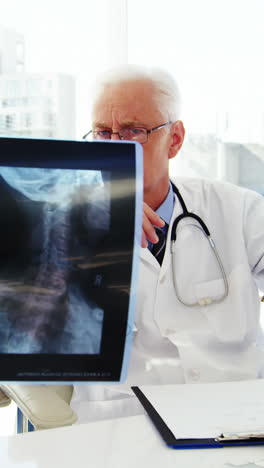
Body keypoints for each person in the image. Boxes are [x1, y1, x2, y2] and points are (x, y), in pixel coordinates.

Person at [71, 65, 264, 423]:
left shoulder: (237, 209)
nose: (115, 146)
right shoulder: (68, 221)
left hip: (233, 415)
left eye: (134, 131)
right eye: (102, 132)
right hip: (117, 425)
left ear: (174, 139)